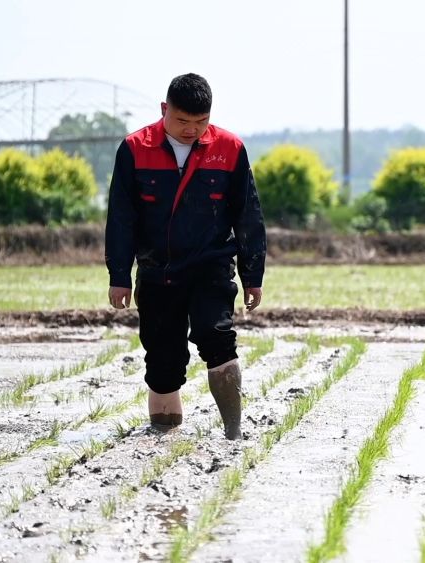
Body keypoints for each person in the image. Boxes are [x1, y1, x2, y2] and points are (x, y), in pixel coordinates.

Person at [105, 73, 266, 440]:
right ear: (165, 110)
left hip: (211, 266)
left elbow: (248, 216)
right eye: (182, 121)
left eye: (201, 122)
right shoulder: (134, 149)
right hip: (157, 271)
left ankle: (234, 434)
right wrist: (119, 274)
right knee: (163, 361)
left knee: (218, 336)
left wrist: (252, 275)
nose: (192, 130)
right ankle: (162, 441)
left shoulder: (230, 149)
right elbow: (121, 217)